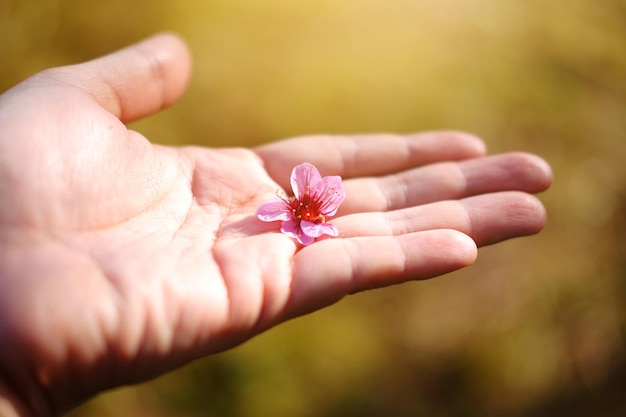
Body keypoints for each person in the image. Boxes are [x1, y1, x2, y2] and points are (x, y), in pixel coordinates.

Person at [0, 33, 552, 417]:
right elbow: (293, 214)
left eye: (312, 209)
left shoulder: (311, 212)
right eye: (305, 207)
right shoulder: (284, 210)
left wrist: (17, 381)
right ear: (295, 202)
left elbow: (316, 217)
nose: (309, 210)